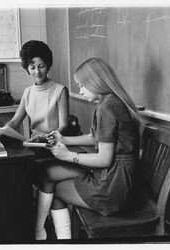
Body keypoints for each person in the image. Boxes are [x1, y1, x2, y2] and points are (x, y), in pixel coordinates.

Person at [34, 57, 141, 240]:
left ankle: (48, 235)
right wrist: (64, 139)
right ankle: (40, 231)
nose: (80, 91)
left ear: (96, 82)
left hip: (113, 185)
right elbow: (97, 138)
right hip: (114, 176)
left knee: (57, 191)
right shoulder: (110, 102)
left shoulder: (107, 107)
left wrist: (68, 156)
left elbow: (104, 159)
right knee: (50, 173)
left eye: (82, 85)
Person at [0, 40, 69, 141]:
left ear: (48, 65)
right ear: (27, 68)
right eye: (32, 67)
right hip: (34, 143)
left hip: (54, 143)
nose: (37, 72)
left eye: (41, 66)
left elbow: (64, 126)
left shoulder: (60, 90)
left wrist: (46, 137)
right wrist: (2, 130)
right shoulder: (28, 92)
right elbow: (15, 122)